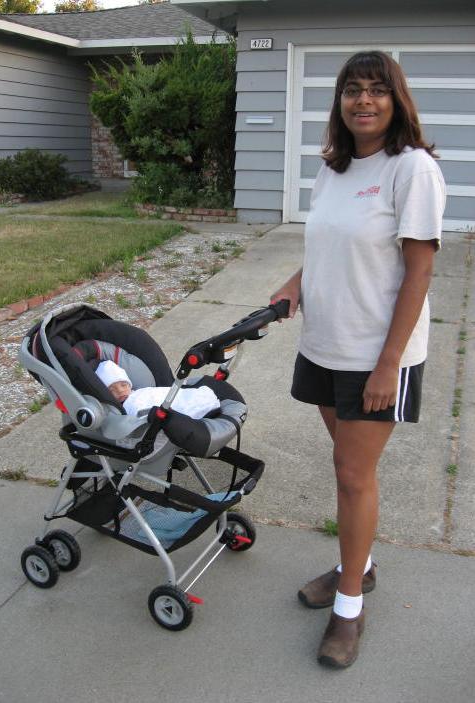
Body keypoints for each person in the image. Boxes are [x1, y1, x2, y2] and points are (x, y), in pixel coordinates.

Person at [270, 50, 446, 669]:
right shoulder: (334, 167)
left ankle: (349, 607)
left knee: (352, 474)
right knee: (347, 467)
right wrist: (296, 282)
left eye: (377, 89)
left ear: (396, 101)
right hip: (324, 343)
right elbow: (329, 245)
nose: (363, 100)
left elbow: (419, 272)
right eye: (352, 89)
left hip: (378, 353)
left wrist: (388, 364)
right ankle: (360, 564)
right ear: (340, 101)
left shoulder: (412, 169)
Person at [95, 359, 220, 419]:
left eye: (123, 385)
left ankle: (200, 403)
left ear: (129, 384)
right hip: (150, 410)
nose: (120, 391)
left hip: (155, 398)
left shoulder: (138, 393)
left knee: (176, 396)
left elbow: (154, 395)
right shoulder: (115, 411)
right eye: (112, 390)